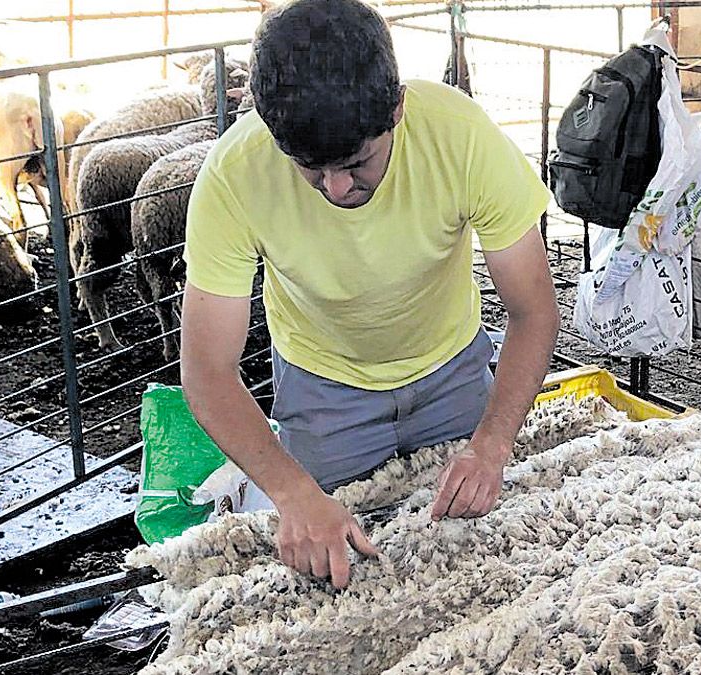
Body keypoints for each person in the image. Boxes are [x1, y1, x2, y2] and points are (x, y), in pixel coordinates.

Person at [179, 0, 558, 589]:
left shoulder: (460, 136)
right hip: (325, 391)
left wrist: (492, 443)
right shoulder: (235, 173)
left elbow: (534, 310)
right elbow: (206, 369)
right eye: (309, 167)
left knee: (481, 559)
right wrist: (293, 493)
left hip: (451, 374)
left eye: (357, 162)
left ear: (398, 109)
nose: (334, 187)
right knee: (316, 573)